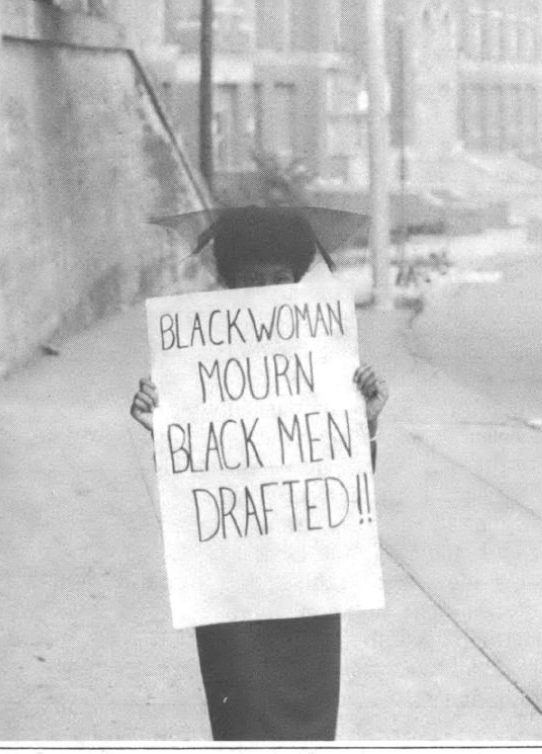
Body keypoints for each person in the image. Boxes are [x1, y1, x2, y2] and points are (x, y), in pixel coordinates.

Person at [130, 204, 389, 743]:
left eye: (278, 280)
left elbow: (346, 485)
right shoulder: (201, 364)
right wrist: (165, 423)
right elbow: (193, 482)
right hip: (234, 590)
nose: (266, 293)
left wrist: (365, 421)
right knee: (242, 719)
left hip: (308, 585)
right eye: (251, 282)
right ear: (228, 287)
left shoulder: (325, 361)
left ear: (295, 283)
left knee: (311, 724)